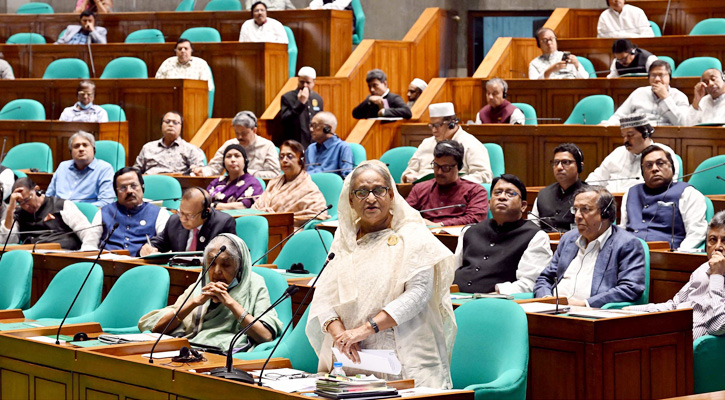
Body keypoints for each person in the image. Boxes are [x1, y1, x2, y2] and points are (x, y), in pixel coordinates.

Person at [306, 160, 457, 388]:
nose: (370, 198)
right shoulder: (344, 239)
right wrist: (341, 335)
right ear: (350, 200)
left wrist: (364, 330)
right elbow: (325, 294)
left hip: (404, 359)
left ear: (391, 195)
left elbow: (418, 294)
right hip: (351, 358)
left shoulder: (414, 236)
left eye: (378, 190)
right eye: (361, 192)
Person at [139, 234, 282, 349]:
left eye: (226, 265)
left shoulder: (254, 284)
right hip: (189, 349)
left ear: (239, 266)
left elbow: (265, 336)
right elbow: (158, 328)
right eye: (212, 263)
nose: (217, 271)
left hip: (225, 355)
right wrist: (195, 302)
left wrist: (230, 303)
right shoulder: (202, 282)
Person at [534, 186, 646, 307]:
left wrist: (585, 304)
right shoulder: (568, 239)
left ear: (605, 213)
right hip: (551, 311)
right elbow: (545, 278)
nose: (577, 216)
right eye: (575, 209)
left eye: (585, 209)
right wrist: (547, 299)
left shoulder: (626, 244)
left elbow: (631, 288)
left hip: (591, 315)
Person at [625, 212, 725, 340]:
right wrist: (631, 311)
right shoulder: (703, 269)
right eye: (713, 240)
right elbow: (674, 306)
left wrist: (717, 276)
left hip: (687, 348)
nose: (717, 247)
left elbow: (717, 327)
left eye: (724, 240)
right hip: (671, 336)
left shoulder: (714, 272)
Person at [454, 174, 552, 294]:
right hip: (454, 298)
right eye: (497, 192)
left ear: (523, 206)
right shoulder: (469, 231)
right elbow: (452, 271)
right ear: (489, 203)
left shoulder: (535, 236)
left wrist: (499, 294)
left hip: (497, 303)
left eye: (510, 193)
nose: (502, 197)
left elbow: (531, 283)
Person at [621, 145, 707, 250]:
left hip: (667, 257)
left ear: (672, 167)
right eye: (648, 165)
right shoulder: (630, 193)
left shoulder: (688, 193)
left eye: (660, 163)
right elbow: (623, 230)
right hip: (628, 255)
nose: (655, 169)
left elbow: (697, 233)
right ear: (643, 173)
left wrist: (677, 255)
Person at [587, 113, 680, 193]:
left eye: (630, 135)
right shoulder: (618, 152)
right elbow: (596, 179)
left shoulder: (662, 152)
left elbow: (668, 187)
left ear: (645, 134)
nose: (625, 140)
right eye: (623, 136)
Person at [402, 102, 492, 184]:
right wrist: (409, 177)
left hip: (455, 192)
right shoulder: (426, 143)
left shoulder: (471, 144)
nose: (433, 130)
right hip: (422, 192)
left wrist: (455, 181)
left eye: (437, 125)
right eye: (431, 126)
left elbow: (484, 175)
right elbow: (409, 172)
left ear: (451, 123)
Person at [0, 178, 100, 250]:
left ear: (36, 190)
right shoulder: (19, 214)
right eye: (20, 203)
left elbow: (86, 231)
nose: (26, 206)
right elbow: (7, 241)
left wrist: (86, 252)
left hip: (63, 253)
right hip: (33, 256)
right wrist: (10, 209)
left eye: (27, 200)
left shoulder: (61, 205)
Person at [406, 140, 488, 227]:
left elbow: (474, 219)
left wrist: (439, 225)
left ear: (458, 167)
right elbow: (403, 214)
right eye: (436, 165)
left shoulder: (476, 191)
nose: (439, 172)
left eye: (445, 167)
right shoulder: (420, 188)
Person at [91, 167, 169, 256]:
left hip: (143, 265)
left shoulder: (159, 213)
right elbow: (89, 246)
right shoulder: (103, 212)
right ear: (116, 192)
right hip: (108, 264)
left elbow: (166, 245)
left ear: (142, 187)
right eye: (123, 188)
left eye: (133, 186)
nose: (129, 191)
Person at [252, 140, 329, 227]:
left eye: (290, 156)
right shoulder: (273, 182)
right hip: (264, 227)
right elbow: (256, 207)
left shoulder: (309, 188)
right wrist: (265, 213)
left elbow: (319, 213)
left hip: (290, 231)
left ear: (301, 160)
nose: (284, 160)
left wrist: (278, 218)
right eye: (281, 157)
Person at [140, 188, 236, 256]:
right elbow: (159, 242)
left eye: (189, 216)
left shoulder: (223, 223)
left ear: (205, 213)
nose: (182, 219)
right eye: (181, 212)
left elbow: (229, 257)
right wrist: (149, 248)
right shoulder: (174, 220)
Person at [192, 111, 281, 179]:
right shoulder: (229, 144)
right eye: (236, 133)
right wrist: (202, 171)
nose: (239, 137)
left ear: (254, 130)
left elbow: (274, 175)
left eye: (244, 133)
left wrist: (246, 173)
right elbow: (214, 168)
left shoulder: (267, 146)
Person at [605, 60, 689, 126]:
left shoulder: (680, 97)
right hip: (640, 138)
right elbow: (619, 116)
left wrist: (666, 99)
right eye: (653, 75)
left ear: (669, 77)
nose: (657, 79)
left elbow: (683, 124)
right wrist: (607, 125)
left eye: (661, 75)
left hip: (667, 138)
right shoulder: (639, 93)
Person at [46, 131, 114, 207]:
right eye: (76, 146)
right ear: (70, 152)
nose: (81, 149)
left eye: (85, 145)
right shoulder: (63, 166)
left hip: (86, 215)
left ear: (93, 150)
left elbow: (106, 202)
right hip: (58, 213)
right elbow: (48, 197)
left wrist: (75, 209)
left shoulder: (104, 168)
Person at [530, 143, 588, 233]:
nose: (559, 167)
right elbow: (532, 227)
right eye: (556, 163)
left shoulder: (590, 195)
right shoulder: (543, 194)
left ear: (580, 166)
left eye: (566, 162)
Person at [133, 111, 205, 175]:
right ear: (161, 125)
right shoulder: (148, 147)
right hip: (151, 184)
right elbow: (135, 171)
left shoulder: (190, 149)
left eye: (175, 122)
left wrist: (194, 169)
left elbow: (199, 171)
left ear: (181, 127)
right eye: (167, 121)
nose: (170, 125)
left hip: (178, 186)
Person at [206, 144, 264, 210]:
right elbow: (204, 201)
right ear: (224, 162)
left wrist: (216, 205)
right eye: (229, 156)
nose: (233, 159)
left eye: (237, 156)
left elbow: (244, 206)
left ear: (245, 161)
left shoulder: (253, 183)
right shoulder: (217, 182)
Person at [280, 66, 324, 147]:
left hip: (313, 142)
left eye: (308, 82)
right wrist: (300, 103)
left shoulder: (318, 98)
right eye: (302, 82)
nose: (304, 85)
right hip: (295, 141)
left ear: (314, 82)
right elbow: (285, 120)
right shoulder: (287, 97)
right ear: (298, 80)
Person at [305, 111, 354, 178]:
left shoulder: (342, 147)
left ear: (328, 129)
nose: (311, 129)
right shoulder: (310, 148)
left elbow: (347, 177)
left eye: (315, 125)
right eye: (311, 125)